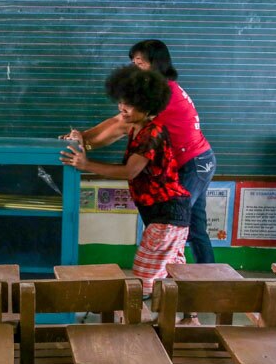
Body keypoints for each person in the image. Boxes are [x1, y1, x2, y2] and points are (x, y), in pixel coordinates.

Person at [74, 40, 216, 321]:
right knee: (183, 236)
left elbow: (120, 131)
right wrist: (83, 138)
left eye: (140, 62)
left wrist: (85, 150)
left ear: (156, 64)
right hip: (186, 169)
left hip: (193, 165)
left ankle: (195, 294)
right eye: (133, 62)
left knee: (175, 231)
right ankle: (193, 304)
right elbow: (119, 120)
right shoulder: (145, 105)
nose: (134, 67)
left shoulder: (158, 102)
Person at [61, 66, 190, 297]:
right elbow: (98, 137)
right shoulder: (134, 126)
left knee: (142, 280)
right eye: (121, 101)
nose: (123, 108)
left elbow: (130, 172)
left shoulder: (153, 132)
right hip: (164, 214)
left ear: (148, 104)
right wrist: (79, 140)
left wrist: (85, 165)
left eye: (130, 104)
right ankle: (189, 319)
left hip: (167, 214)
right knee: (172, 274)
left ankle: (142, 326)